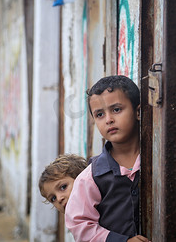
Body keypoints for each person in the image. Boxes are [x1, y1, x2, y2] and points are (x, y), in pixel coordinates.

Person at [65, 75, 150, 242]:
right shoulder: (91, 177)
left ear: (138, 112)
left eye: (116, 109)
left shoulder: (154, 162)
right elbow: (79, 225)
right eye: (99, 114)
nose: (109, 120)